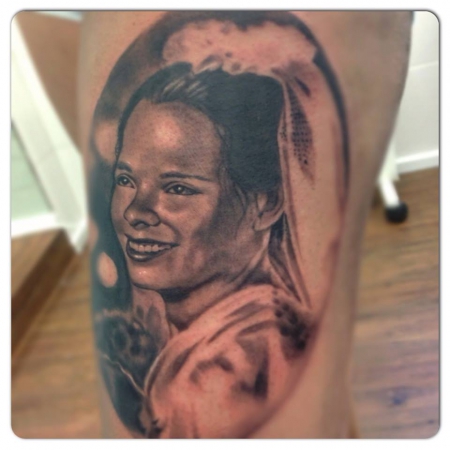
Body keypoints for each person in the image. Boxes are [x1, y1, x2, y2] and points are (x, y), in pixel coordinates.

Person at [79, 11, 412, 438]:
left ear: (267, 202)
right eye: (125, 180)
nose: (135, 212)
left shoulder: (222, 374)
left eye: (177, 188)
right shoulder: (221, 340)